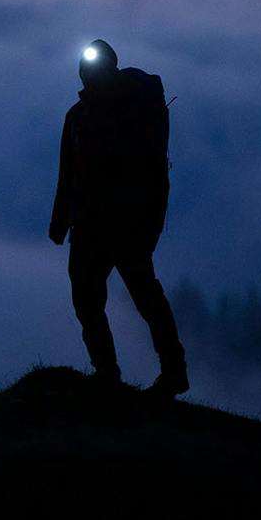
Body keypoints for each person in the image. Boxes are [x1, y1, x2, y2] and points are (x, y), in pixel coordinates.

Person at [49, 40, 188, 396]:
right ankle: (109, 372)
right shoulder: (77, 117)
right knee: (90, 299)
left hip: (125, 224)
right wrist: (61, 221)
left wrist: (150, 223)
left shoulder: (129, 113)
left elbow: (152, 170)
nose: (88, 74)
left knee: (142, 298)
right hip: (93, 225)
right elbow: (68, 171)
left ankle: (168, 372)